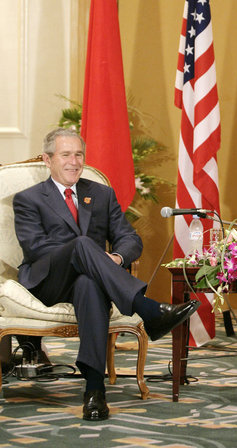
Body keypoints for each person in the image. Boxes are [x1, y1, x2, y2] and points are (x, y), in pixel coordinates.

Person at [13, 128, 200, 421]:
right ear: (48, 160)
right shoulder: (28, 199)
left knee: (89, 284)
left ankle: (94, 390)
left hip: (89, 280)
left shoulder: (100, 194)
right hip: (48, 281)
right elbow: (36, 248)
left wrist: (115, 257)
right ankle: (148, 309)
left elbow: (130, 239)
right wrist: (85, 253)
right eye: (66, 155)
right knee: (83, 245)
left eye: (79, 154)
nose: (74, 162)